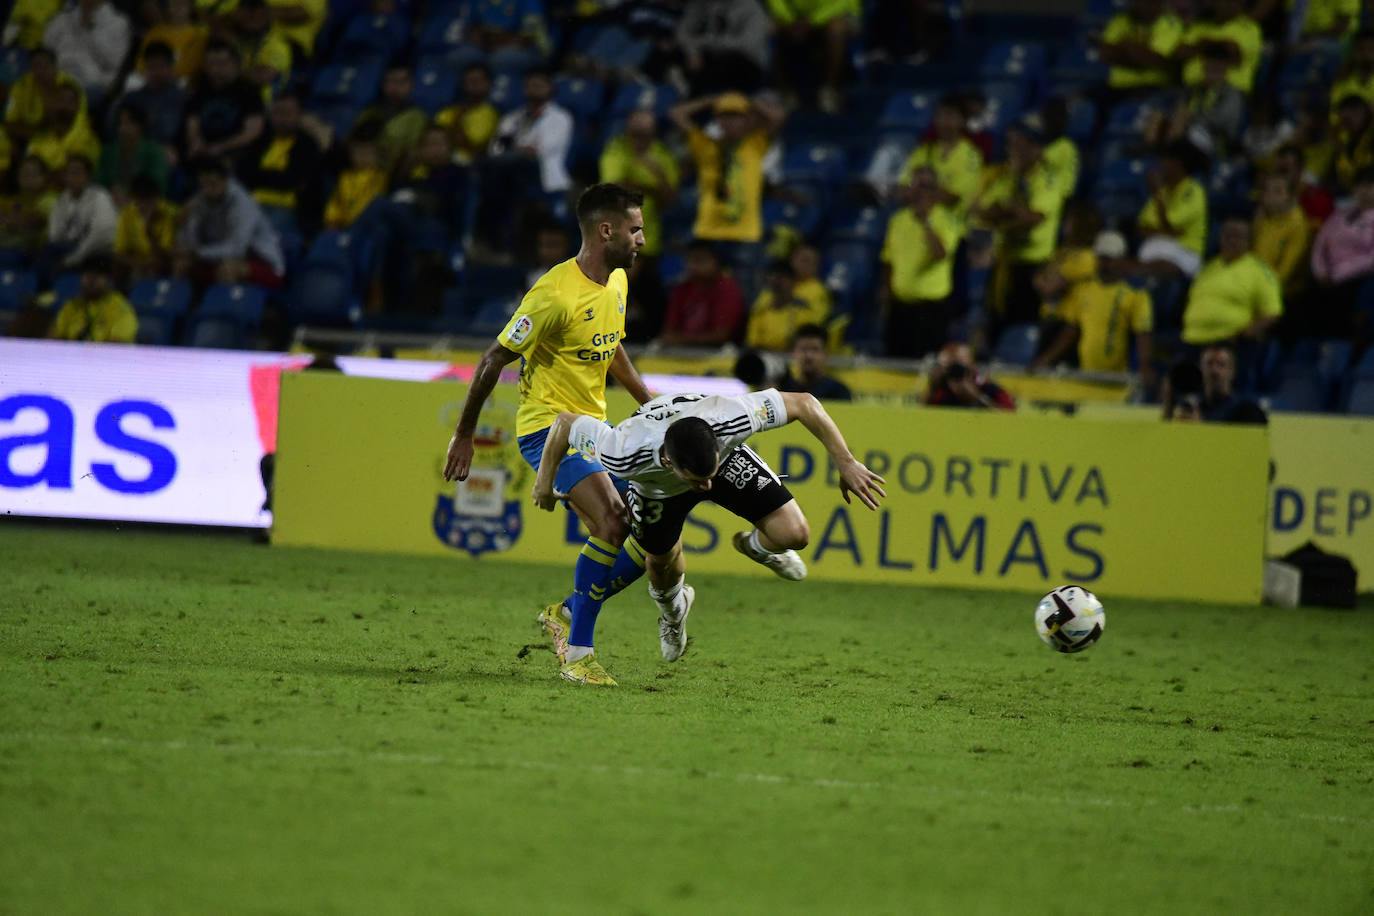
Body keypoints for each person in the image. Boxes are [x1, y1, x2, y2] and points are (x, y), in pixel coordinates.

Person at [441, 183, 656, 673]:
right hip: (546, 430)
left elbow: (611, 344)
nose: (642, 238)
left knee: (651, 538)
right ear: (607, 231)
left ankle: (565, 613)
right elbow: (493, 359)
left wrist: (647, 400)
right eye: (636, 228)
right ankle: (578, 655)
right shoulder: (552, 294)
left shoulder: (617, 282)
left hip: (595, 429)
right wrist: (465, 433)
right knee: (613, 522)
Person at [532, 387, 886, 684]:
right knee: (660, 564)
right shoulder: (623, 452)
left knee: (795, 534)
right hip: (657, 493)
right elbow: (564, 425)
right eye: (698, 482)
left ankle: (757, 547)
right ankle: (673, 614)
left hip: (728, 460)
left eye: (708, 476)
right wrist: (544, 484)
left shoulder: (731, 417)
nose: (707, 488)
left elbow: (805, 403)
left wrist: (846, 462)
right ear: (670, 463)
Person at [970, 115, 1069, 328]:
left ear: (1038, 149)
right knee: (996, 322)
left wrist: (1006, 211)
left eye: (1024, 143)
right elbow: (982, 213)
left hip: (1033, 268)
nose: (1016, 149)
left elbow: (1032, 219)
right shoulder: (1003, 176)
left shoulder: (1048, 180)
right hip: (1004, 262)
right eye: (1013, 143)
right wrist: (1009, 212)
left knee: (1025, 325)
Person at [1032, 231, 1155, 387]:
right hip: (1085, 374)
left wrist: (1145, 366)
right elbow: (1072, 330)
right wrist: (1047, 358)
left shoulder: (1135, 294)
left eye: (1109, 259)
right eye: (1101, 258)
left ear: (1121, 260)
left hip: (1116, 377)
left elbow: (1143, 333)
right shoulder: (1084, 289)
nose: (1104, 263)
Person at [670, 92, 785, 254]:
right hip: (708, 231)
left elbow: (778, 118)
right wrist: (710, 100)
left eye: (736, 116)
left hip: (745, 233)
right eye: (724, 116)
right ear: (718, 120)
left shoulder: (754, 145)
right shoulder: (705, 145)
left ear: (746, 120)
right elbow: (676, 114)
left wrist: (749, 101)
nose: (730, 121)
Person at [879, 165, 961, 358]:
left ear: (935, 190)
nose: (921, 191)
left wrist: (926, 221)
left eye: (927, 186)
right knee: (895, 360)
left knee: (926, 363)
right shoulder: (898, 220)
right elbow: (888, 259)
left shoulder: (946, 219)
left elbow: (939, 254)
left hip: (931, 308)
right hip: (900, 306)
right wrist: (888, 292)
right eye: (917, 185)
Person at [173, 156, 285, 289]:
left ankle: (225, 309)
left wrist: (196, 253)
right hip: (219, 257)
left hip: (263, 263)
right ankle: (183, 308)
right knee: (182, 264)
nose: (207, 190)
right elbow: (191, 243)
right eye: (203, 185)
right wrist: (184, 229)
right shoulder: (201, 200)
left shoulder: (243, 203)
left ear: (226, 181)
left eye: (212, 184)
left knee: (228, 269)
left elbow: (236, 250)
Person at [1181, 216, 1282, 347]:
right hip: (1191, 339)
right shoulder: (1208, 268)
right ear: (1220, 238)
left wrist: (1242, 336)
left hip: (1228, 345)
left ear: (1249, 242)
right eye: (1228, 236)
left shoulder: (1260, 271)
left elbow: (1272, 313)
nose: (1232, 241)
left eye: (1238, 237)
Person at [239, 93, 323, 227]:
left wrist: (260, 176)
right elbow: (244, 173)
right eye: (277, 112)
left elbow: (292, 180)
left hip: (285, 208)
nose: (282, 118)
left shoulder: (307, 145)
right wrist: (275, 176)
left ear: (299, 115)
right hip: (251, 203)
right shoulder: (261, 140)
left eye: (287, 113)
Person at [1309, 167, 1374, 338]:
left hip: (1357, 279)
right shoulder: (1339, 215)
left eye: (1371, 185)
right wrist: (1321, 272)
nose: (1366, 190)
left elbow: (1371, 259)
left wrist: (1339, 273)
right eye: (1361, 185)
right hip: (1327, 279)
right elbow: (1319, 246)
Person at [182, 39, 267, 169]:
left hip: (235, 152)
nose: (216, 70)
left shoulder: (249, 92)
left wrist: (220, 147)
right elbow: (192, 121)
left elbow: (252, 132)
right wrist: (195, 141)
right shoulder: (201, 90)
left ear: (236, 65)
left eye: (222, 64)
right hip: (204, 150)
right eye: (211, 64)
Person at [898, 94, 985, 219]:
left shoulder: (971, 156)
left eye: (949, 116)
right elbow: (903, 190)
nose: (943, 121)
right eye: (939, 115)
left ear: (963, 120)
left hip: (950, 226)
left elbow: (953, 197)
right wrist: (928, 192)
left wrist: (919, 191)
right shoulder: (923, 151)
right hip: (916, 220)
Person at [768, 0, 861, 112]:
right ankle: (784, 92)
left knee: (837, 29)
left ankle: (830, 90)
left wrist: (813, 21)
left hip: (837, 14)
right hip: (794, 17)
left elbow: (843, 4)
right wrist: (789, 19)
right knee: (770, 27)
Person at [1135, 141, 1208, 278]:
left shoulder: (1194, 191)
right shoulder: (1163, 191)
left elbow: (1169, 223)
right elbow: (1142, 228)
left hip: (1186, 254)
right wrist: (1167, 232)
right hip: (1156, 248)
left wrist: (1157, 194)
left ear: (1177, 164)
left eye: (1165, 160)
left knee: (1151, 269)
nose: (1161, 165)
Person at [659, 239, 747, 347]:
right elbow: (669, 330)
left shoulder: (727, 288)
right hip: (680, 352)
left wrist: (681, 340)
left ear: (716, 261)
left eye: (699, 260)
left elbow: (721, 336)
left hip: (718, 354)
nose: (693, 266)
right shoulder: (682, 288)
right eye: (689, 260)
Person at [42, 0, 131, 105]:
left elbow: (113, 63)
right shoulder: (62, 19)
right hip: (57, 79)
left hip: (91, 84)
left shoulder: (119, 23)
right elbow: (45, 50)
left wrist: (90, 31)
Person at [43, 154, 117, 280]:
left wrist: (73, 258)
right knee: (49, 251)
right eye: (69, 173)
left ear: (88, 176)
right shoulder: (63, 199)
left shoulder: (100, 197)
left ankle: (45, 290)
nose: (72, 177)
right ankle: (43, 293)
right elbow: (54, 234)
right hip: (68, 247)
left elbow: (101, 235)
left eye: (77, 173)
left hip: (95, 251)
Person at [676, 0, 772, 96]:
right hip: (707, 58)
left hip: (744, 64)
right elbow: (682, 33)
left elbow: (746, 45)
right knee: (674, 53)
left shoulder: (752, 7)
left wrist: (703, 43)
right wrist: (692, 52)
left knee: (725, 66)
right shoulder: (701, 4)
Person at [115, 41, 187, 160]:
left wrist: (143, 124)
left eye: (161, 66)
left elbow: (168, 132)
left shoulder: (179, 98)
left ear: (171, 67)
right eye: (152, 67)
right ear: (145, 67)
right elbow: (117, 129)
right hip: (133, 149)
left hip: (165, 151)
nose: (156, 72)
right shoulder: (132, 98)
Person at [1098, 0, 1184, 97]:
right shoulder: (1122, 20)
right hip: (1117, 86)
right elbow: (1106, 54)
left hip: (1153, 87)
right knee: (1086, 99)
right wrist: (1140, 54)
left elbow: (1155, 60)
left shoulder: (1170, 22)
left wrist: (1127, 46)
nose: (1141, 4)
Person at [1174, 0, 1263, 94]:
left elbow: (1233, 52)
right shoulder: (1201, 25)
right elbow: (1180, 52)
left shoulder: (1249, 28)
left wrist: (1202, 44)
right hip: (1192, 90)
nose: (1224, 5)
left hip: (1230, 92)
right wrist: (1212, 45)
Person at [355, 63, 428, 174]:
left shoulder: (417, 117)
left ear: (411, 85)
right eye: (390, 81)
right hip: (363, 171)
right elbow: (354, 144)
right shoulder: (370, 112)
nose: (395, 87)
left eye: (401, 82)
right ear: (383, 85)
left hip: (396, 174)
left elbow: (413, 154)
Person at [4, 48, 84, 147]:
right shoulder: (21, 85)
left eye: (46, 66)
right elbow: (10, 123)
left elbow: (79, 122)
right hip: (29, 137)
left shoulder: (70, 86)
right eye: (36, 66)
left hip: (64, 138)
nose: (41, 71)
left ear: (55, 67)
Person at [48, 254, 137, 343]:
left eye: (98, 275)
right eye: (87, 274)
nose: (91, 280)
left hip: (105, 356)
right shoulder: (71, 306)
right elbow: (53, 338)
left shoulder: (120, 308)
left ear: (109, 281)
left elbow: (116, 345)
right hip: (72, 355)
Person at [1252, 172, 1312, 302]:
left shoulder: (1298, 225)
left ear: (1291, 196)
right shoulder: (1263, 217)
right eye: (1267, 191)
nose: (1270, 196)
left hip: (1279, 295)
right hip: (1252, 282)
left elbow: (1285, 273)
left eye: (1278, 192)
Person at [745, 259, 827, 351]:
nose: (777, 283)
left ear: (793, 282)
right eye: (773, 279)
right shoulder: (759, 312)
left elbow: (806, 347)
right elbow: (752, 344)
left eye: (781, 278)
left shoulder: (804, 312)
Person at [96, 106, 168, 206]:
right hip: (109, 202)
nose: (123, 128)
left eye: (128, 123)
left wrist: (129, 196)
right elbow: (99, 180)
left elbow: (157, 184)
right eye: (120, 123)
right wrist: (112, 189)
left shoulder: (153, 152)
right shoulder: (109, 151)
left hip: (142, 204)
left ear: (140, 126)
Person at [114, 174, 178, 283]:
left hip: (159, 260)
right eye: (139, 202)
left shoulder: (167, 214)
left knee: (156, 266)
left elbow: (165, 254)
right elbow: (119, 252)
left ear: (156, 199)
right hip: (137, 259)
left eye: (148, 202)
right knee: (115, 264)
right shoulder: (127, 214)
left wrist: (149, 232)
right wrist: (140, 263)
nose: (143, 206)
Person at [434, 63, 499, 166]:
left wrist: (458, 121)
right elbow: (435, 139)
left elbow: (474, 148)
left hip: (469, 165)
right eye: (469, 80)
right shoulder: (448, 111)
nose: (473, 84)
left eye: (478, 81)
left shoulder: (491, 113)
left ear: (489, 84)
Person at [925, 342, 1015, 410]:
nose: (957, 372)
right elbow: (922, 414)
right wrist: (933, 387)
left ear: (972, 365)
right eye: (952, 367)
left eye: (960, 366)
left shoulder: (987, 387)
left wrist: (977, 397)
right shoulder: (942, 391)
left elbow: (1009, 416)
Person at [322, 133, 386, 230]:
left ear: (376, 153)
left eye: (365, 152)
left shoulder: (379, 176)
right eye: (356, 151)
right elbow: (335, 201)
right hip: (340, 225)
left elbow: (371, 203)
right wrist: (331, 219)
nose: (360, 156)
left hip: (364, 227)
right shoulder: (346, 175)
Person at [232, 0, 293, 102]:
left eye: (255, 16)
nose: (250, 20)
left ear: (265, 15)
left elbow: (264, 77)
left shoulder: (278, 45)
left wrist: (233, 73)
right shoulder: (237, 40)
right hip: (236, 101)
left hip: (265, 107)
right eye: (246, 15)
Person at [135, 0, 208, 83]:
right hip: (149, 78)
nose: (178, 8)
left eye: (182, 4)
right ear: (168, 7)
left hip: (181, 82)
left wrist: (165, 75)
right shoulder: (155, 32)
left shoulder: (199, 35)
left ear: (191, 6)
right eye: (173, 4)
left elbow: (192, 67)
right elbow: (140, 61)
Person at [0, 156, 56, 258]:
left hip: (39, 253)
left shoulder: (50, 199)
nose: (28, 178)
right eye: (24, 174)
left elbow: (32, 222)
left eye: (33, 174)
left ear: (45, 177)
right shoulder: (17, 200)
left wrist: (11, 220)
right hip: (13, 249)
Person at [779, 323, 852, 400]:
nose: (809, 355)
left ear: (826, 354)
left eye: (815, 349)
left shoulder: (839, 392)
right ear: (793, 353)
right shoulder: (784, 391)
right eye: (803, 349)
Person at [1330, 30, 1374, 112]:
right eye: (1361, 49)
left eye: (1371, 49)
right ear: (1353, 53)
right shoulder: (1342, 82)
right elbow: (1335, 117)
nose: (1366, 54)